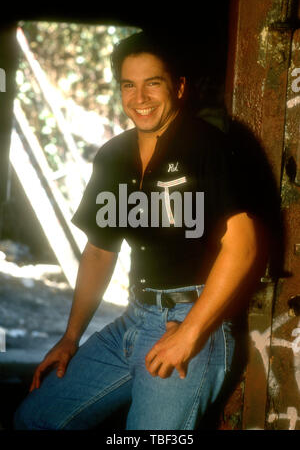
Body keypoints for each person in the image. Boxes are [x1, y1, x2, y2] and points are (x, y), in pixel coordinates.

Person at [14, 31, 269, 430]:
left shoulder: (209, 148)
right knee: (34, 418)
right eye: (128, 86)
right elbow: (100, 250)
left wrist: (189, 334)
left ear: (179, 87)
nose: (140, 98)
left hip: (192, 320)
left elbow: (245, 248)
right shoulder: (114, 156)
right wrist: (70, 336)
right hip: (133, 320)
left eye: (153, 83)